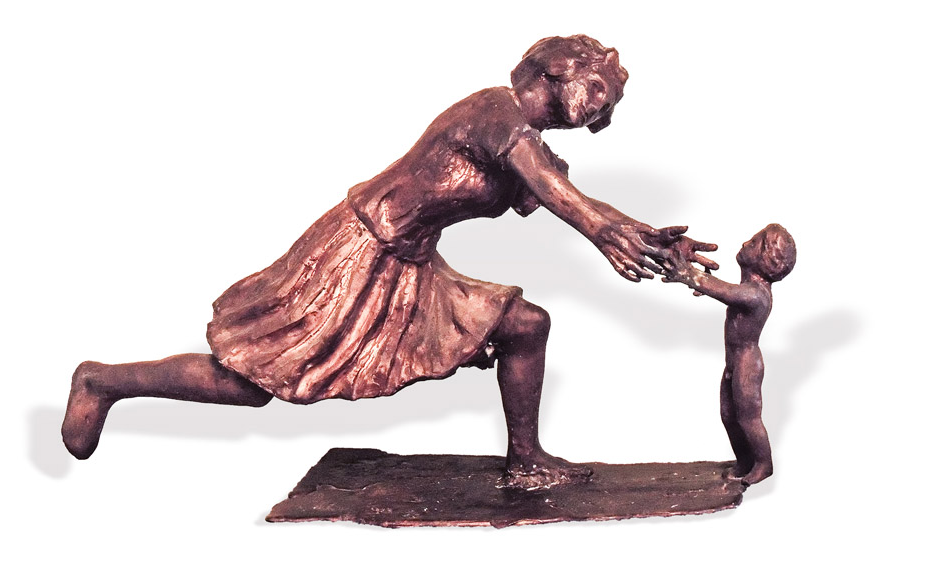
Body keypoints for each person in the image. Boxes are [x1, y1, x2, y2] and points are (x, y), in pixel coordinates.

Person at [62, 35, 717, 489]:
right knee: (250, 382)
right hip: (357, 250)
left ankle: (526, 460)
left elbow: (568, 196)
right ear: (555, 71)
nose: (601, 108)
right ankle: (103, 381)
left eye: (609, 102)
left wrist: (662, 246)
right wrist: (604, 232)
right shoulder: (496, 112)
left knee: (526, 325)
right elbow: (561, 196)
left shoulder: (530, 150)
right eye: (597, 88)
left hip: (411, 264)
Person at [663, 224, 796, 485]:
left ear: (767, 260)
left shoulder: (756, 294)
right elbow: (724, 291)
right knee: (729, 415)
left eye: (754, 243)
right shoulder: (747, 289)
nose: (746, 243)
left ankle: (764, 464)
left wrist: (688, 275)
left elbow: (725, 292)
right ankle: (744, 461)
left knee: (748, 418)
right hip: (733, 361)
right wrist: (704, 282)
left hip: (747, 364)